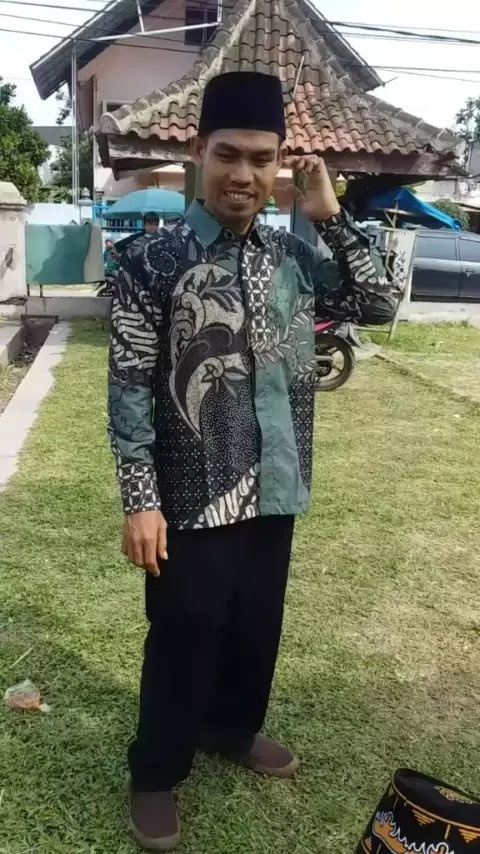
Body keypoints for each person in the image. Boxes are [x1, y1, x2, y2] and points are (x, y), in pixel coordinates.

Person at [108, 71, 396, 851]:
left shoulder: (294, 257)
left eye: (262, 159)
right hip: (191, 489)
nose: (244, 174)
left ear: (280, 165)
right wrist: (140, 499)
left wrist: (329, 215)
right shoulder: (150, 261)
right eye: (229, 154)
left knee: (255, 624)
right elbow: (129, 387)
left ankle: (231, 730)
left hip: (276, 482)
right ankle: (156, 771)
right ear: (201, 152)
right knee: (185, 629)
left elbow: (379, 304)